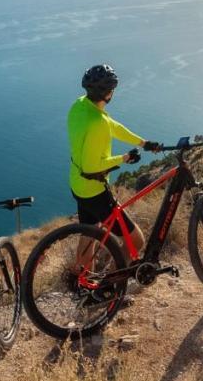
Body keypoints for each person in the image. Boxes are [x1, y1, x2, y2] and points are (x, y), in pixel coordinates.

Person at [67, 64, 162, 260]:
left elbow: (112, 126)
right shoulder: (97, 123)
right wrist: (124, 158)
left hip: (78, 184)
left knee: (89, 237)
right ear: (109, 93)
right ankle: (112, 286)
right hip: (95, 191)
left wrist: (142, 142)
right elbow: (91, 166)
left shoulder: (80, 106)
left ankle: (82, 283)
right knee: (136, 240)